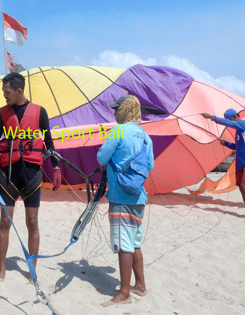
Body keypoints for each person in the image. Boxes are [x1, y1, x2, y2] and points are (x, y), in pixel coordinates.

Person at [0, 72, 62, 281]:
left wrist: (56, 168)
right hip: (8, 175)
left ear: (19, 91)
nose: (4, 95)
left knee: (33, 222)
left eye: (7, 92)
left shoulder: (40, 112)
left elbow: (49, 142)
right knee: (4, 221)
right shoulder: (2, 113)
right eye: (3, 92)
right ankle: (1, 269)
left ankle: (32, 269)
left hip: (32, 175)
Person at [96, 95, 154, 306]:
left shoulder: (118, 131)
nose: (114, 112)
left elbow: (101, 158)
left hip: (121, 197)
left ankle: (124, 293)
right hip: (139, 197)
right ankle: (140, 285)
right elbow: (149, 166)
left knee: (124, 245)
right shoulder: (146, 136)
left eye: (117, 108)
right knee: (135, 243)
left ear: (124, 110)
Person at [202, 109, 245, 221]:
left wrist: (211, 117)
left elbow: (229, 123)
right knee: (241, 188)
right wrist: (226, 143)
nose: (230, 122)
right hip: (240, 162)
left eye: (231, 119)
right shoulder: (238, 132)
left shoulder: (243, 124)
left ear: (236, 116)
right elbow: (237, 146)